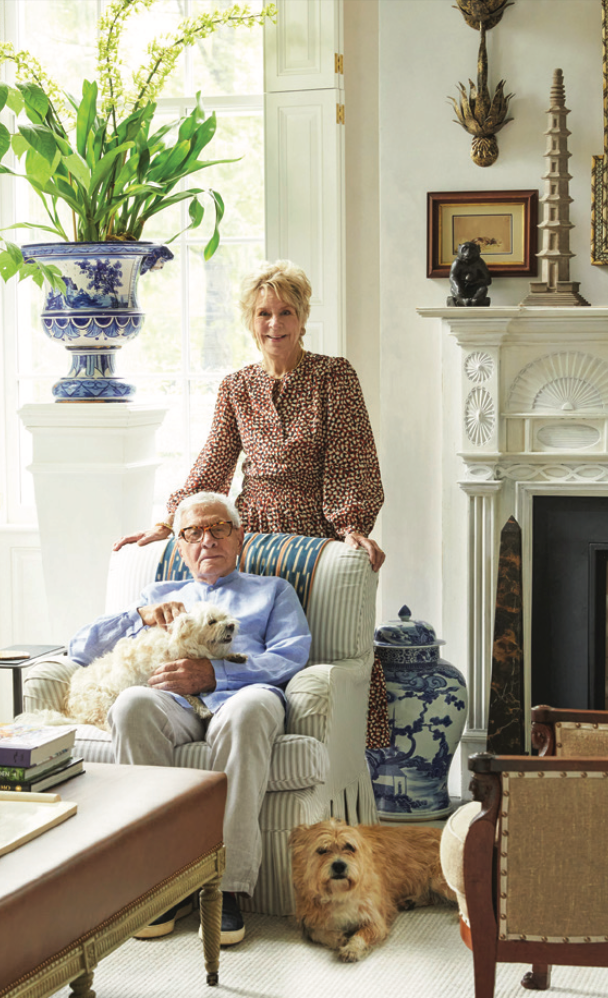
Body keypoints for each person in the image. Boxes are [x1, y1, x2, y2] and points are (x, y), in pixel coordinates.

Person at [69, 491, 312, 945]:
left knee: (252, 710)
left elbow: (292, 655)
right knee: (131, 704)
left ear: (239, 537)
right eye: (193, 533)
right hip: (174, 705)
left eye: (219, 528)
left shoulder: (272, 591)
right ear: (178, 547)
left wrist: (214, 673)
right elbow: (79, 648)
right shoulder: (158, 596)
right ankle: (159, 884)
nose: (207, 541)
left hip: (241, 696)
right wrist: (138, 615)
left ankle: (226, 885)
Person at [114, 259, 385, 572]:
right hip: (248, 530)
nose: (275, 324)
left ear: (302, 318)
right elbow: (213, 465)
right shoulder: (236, 386)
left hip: (316, 529)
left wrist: (351, 526)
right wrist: (169, 520)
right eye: (264, 313)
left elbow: (351, 460)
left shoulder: (334, 376)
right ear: (251, 321)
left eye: (286, 312)